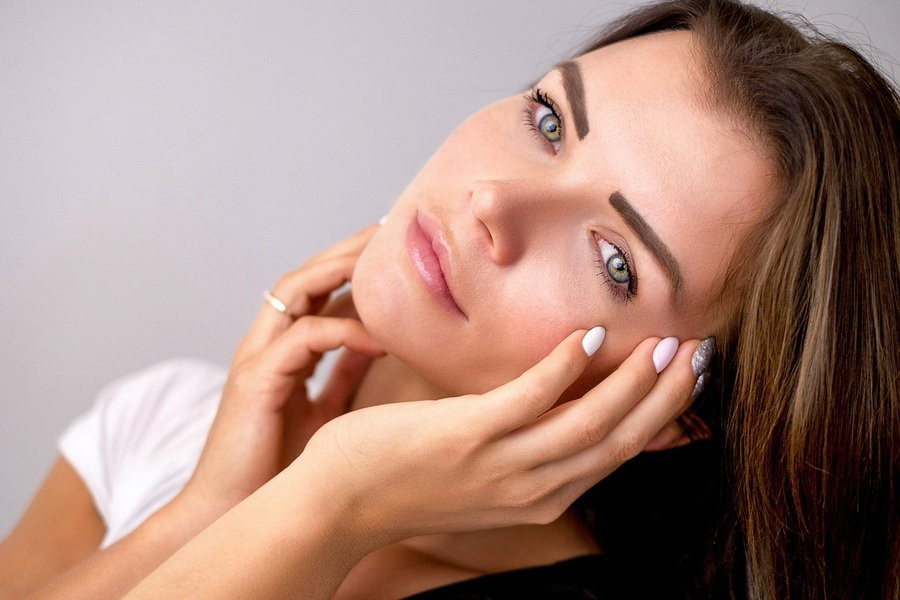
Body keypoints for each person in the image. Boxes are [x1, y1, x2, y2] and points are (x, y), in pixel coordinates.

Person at [1, 0, 897, 598]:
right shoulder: (168, 418)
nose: (495, 203)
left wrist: (339, 499)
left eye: (615, 262)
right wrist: (199, 515)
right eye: (550, 120)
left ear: (675, 411)